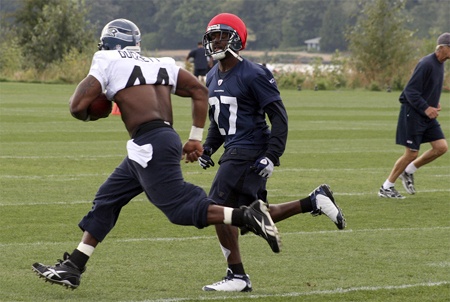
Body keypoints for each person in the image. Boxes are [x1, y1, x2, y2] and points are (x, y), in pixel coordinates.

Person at [31, 18, 282, 290]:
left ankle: (247, 216)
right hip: (161, 139)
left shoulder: (106, 58)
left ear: (107, 43)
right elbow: (200, 90)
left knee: (178, 208)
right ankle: (74, 267)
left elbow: (76, 106)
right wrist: (195, 138)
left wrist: (95, 111)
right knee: (107, 198)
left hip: (149, 143)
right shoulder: (160, 62)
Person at [197, 13, 346, 292]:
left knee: (214, 208)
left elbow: (279, 117)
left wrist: (272, 155)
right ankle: (313, 201)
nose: (216, 41)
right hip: (234, 149)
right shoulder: (211, 76)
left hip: (249, 149)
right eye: (212, 36)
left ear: (237, 39)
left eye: (222, 35)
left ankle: (237, 276)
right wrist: (207, 148)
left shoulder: (253, 73)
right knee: (249, 214)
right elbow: (218, 121)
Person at [378, 32, 449, 199]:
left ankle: (408, 171)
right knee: (411, 153)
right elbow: (410, 91)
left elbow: (426, 88)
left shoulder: (441, 64)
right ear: (442, 48)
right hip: (414, 113)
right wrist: (426, 107)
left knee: (441, 147)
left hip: (426, 114)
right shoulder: (426, 63)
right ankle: (386, 187)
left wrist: (433, 102)